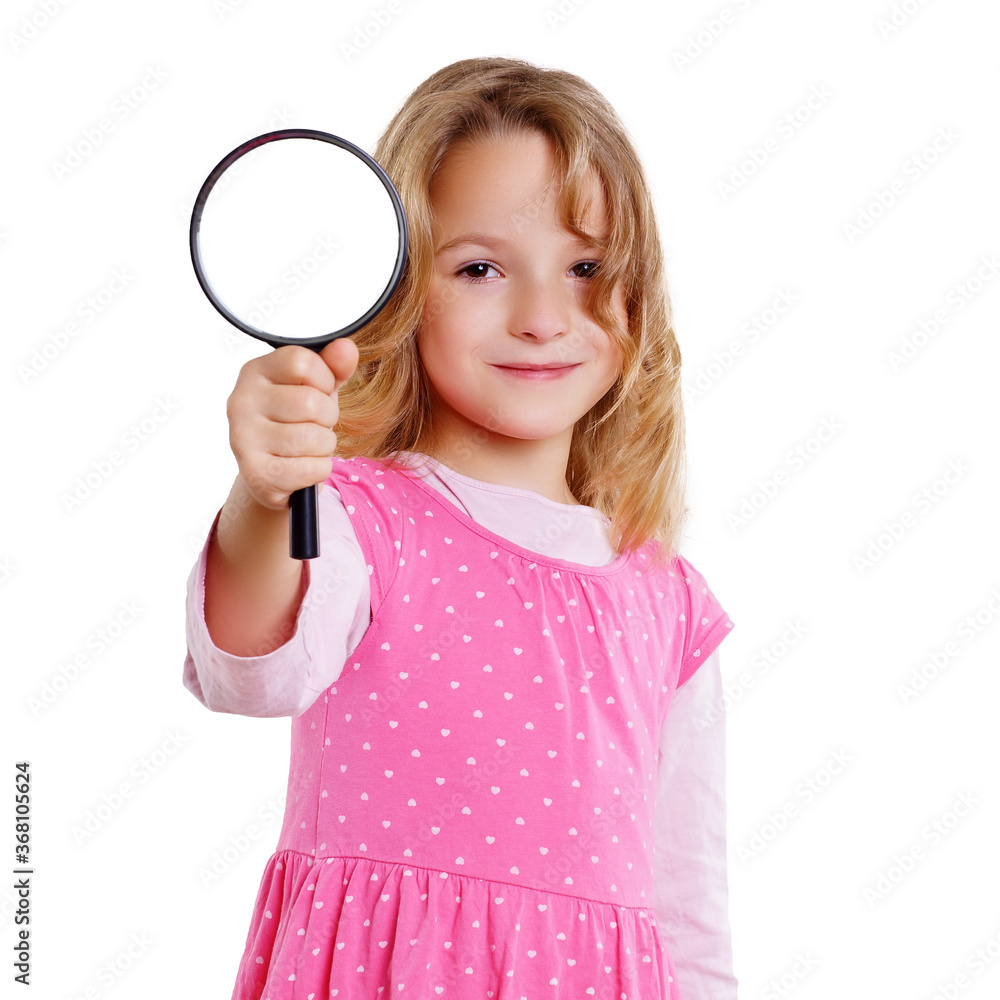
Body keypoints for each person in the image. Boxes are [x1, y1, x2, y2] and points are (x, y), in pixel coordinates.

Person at [183, 56, 739, 999]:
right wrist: (267, 498)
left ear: (637, 292)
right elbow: (253, 669)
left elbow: (688, 910)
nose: (542, 318)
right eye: (481, 268)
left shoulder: (668, 601)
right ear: (400, 289)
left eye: (586, 268)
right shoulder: (360, 522)